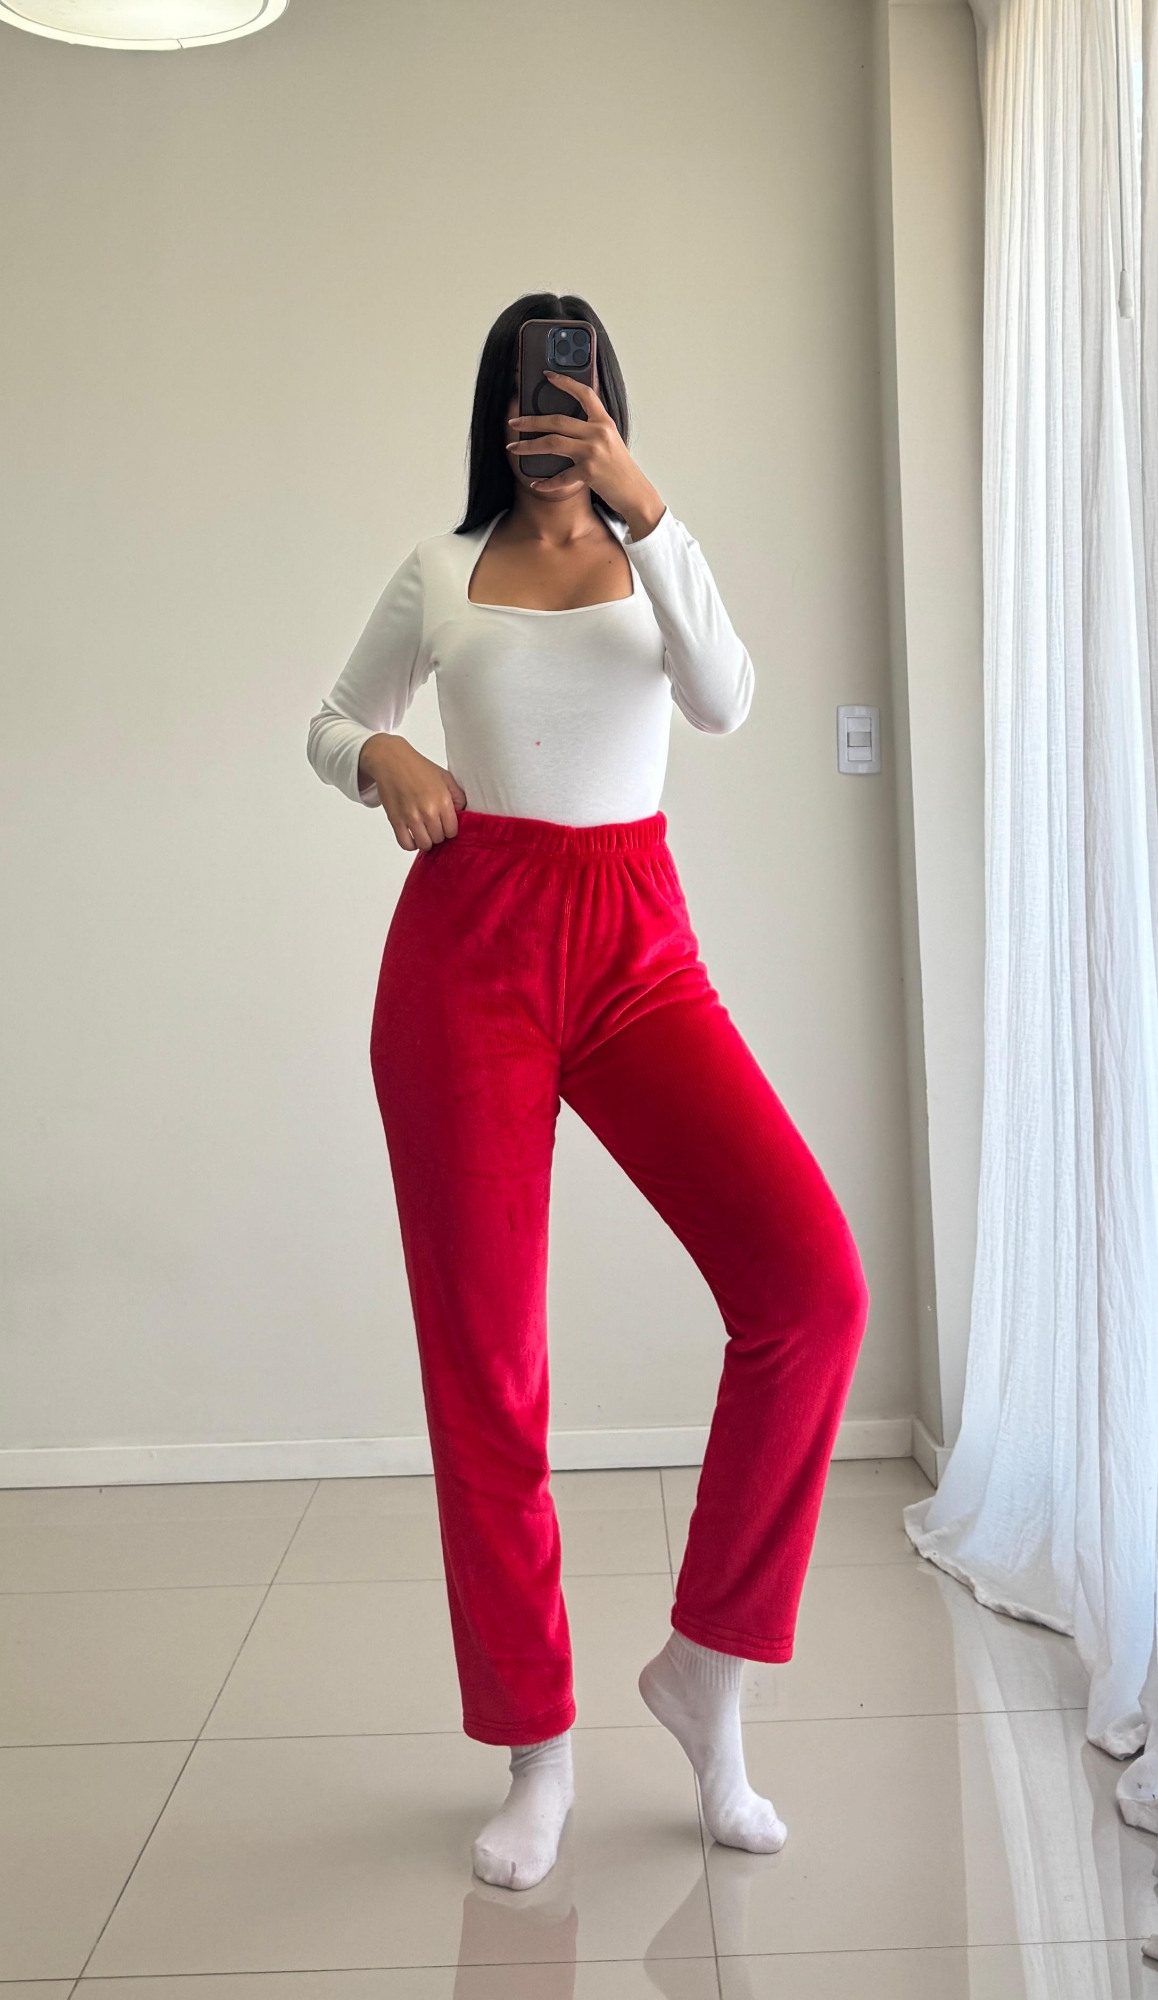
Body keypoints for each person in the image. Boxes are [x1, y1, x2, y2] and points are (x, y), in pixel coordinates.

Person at [306, 291, 870, 1892]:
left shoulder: (654, 554)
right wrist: (382, 759)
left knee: (809, 1288)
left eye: (570, 393)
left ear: (605, 404)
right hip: (465, 957)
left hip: (634, 948)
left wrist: (649, 507)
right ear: (491, 414)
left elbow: (725, 699)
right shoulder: (439, 569)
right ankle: (535, 1752)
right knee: (489, 1366)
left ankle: (707, 1681)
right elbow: (333, 718)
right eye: (520, 393)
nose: (542, 415)